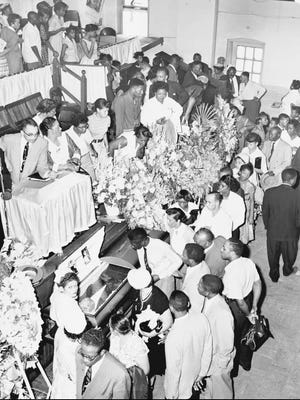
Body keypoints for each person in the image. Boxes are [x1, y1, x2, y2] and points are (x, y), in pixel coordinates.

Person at [221, 239, 262, 375]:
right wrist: (254, 306)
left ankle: (233, 371)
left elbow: (239, 302)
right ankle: (246, 362)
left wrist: (248, 314)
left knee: (232, 339)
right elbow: (257, 284)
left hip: (236, 308)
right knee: (246, 333)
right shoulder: (248, 262)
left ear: (232, 252)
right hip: (249, 299)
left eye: (224, 248)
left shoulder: (232, 273)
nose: (221, 249)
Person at [164, 290, 212, 399]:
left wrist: (171, 395)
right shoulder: (202, 318)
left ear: (171, 308)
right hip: (197, 376)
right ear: (188, 304)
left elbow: (173, 371)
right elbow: (208, 349)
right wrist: (201, 374)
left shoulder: (172, 339)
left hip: (181, 388)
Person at [128, 268, 173, 380]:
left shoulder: (159, 297)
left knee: (152, 362)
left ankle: (151, 379)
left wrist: (152, 334)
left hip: (152, 335)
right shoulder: (136, 292)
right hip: (140, 332)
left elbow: (168, 321)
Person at [50, 268, 87, 399]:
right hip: (67, 341)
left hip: (61, 334)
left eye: (76, 285)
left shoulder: (57, 296)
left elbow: (53, 315)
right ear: (61, 288)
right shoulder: (69, 304)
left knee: (61, 369)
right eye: (70, 287)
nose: (75, 289)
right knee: (70, 374)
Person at [198, 274, 235, 399]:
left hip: (219, 360)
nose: (197, 286)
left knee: (222, 390)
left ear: (207, 292)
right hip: (211, 356)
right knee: (211, 384)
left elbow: (227, 341)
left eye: (199, 285)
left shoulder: (222, 313)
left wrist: (221, 363)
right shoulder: (210, 300)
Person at [262, 168, 300, 282]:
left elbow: (265, 212)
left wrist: (268, 226)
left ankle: (274, 275)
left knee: (272, 254)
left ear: (282, 178)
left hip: (273, 230)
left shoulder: (269, 192)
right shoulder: (297, 195)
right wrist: (297, 228)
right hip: (291, 232)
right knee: (290, 254)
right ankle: (287, 270)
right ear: (293, 180)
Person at [76, 328, 131, 399]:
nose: (85, 360)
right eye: (83, 354)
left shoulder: (119, 374)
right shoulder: (79, 352)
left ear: (102, 352)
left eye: (90, 357)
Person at [127, 227, 182, 298]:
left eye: (134, 244)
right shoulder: (140, 248)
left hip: (165, 277)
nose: (132, 246)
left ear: (143, 241)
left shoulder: (161, 246)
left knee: (164, 299)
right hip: (151, 278)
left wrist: (159, 276)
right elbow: (144, 264)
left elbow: (178, 261)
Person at [0, 118, 54, 186]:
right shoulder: (9, 139)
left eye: (36, 134)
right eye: (30, 134)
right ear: (22, 133)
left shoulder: (42, 143)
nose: (34, 137)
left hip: (28, 184)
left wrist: (48, 174)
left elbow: (42, 166)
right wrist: (5, 162)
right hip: (10, 182)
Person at [109, 313, 149, 399]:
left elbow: (145, 370)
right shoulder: (114, 337)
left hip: (134, 382)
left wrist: (128, 374)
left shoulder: (136, 344)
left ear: (115, 330)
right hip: (119, 381)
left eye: (110, 327)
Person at [65, 113, 97, 181]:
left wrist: (93, 151)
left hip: (87, 158)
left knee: (93, 179)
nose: (84, 129)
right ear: (74, 126)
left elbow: (89, 142)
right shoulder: (67, 135)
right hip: (76, 162)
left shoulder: (86, 131)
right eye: (81, 127)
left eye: (86, 126)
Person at [181, 243, 210, 314]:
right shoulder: (201, 263)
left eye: (184, 256)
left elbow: (195, 308)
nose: (181, 256)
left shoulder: (195, 283)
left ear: (191, 261)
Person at [261, 126, 292, 190]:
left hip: (276, 176)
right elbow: (262, 157)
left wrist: (274, 171)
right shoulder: (266, 143)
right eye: (269, 133)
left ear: (278, 135)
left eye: (272, 134)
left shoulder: (286, 147)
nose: (269, 135)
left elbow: (287, 163)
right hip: (264, 174)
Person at [238, 163, 255, 245]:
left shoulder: (250, 186)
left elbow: (252, 201)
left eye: (248, 175)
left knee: (244, 227)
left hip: (246, 207)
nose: (245, 176)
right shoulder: (235, 182)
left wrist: (251, 216)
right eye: (244, 173)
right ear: (240, 172)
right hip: (236, 207)